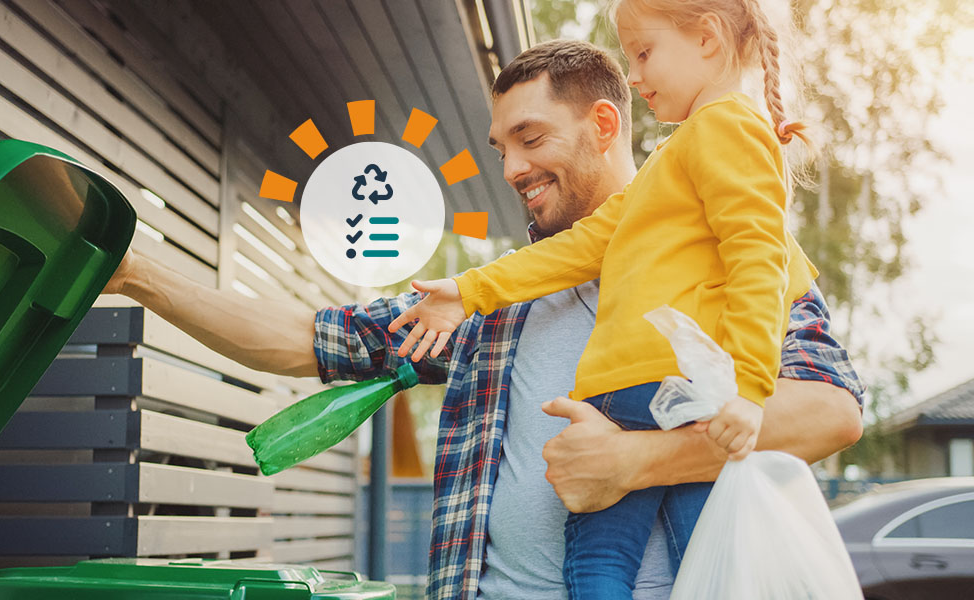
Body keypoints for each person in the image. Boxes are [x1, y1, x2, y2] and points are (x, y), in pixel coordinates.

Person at [103, 39, 864, 600]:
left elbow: (828, 414)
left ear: (605, 125)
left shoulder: (733, 248)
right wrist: (136, 272)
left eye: (531, 139)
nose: (511, 171)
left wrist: (636, 461)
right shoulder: (492, 297)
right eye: (501, 148)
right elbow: (307, 341)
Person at [387, 0, 824, 596]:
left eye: (644, 54)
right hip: (639, 391)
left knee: (628, 558)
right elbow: (585, 244)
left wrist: (748, 391)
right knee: (694, 556)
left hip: (669, 391)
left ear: (708, 38)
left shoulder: (729, 128)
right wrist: (470, 291)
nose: (635, 76)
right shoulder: (675, 158)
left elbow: (759, 261)